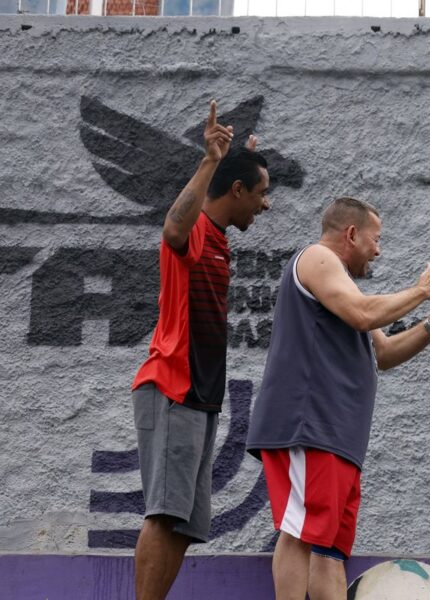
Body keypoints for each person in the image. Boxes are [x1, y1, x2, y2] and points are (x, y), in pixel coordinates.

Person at [245, 196, 430, 600]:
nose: (379, 250)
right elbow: (362, 313)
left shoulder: (344, 286)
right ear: (351, 234)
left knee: (330, 550)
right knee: (301, 533)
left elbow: (385, 353)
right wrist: (422, 291)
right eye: (375, 240)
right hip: (309, 427)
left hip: (338, 438)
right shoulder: (318, 259)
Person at [130, 101, 271, 600]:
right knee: (164, 512)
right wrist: (212, 160)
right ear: (235, 192)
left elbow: (231, 197)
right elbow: (172, 228)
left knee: (186, 524)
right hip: (173, 384)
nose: (266, 204)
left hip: (202, 395)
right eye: (260, 194)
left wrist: (244, 163)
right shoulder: (194, 233)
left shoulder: (220, 238)